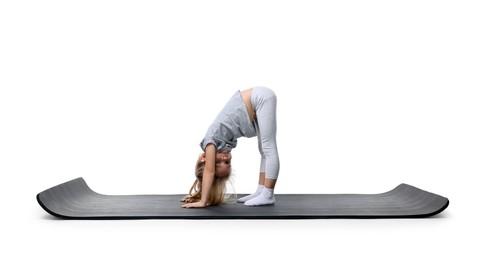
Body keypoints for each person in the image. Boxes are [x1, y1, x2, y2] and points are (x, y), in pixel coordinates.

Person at [181, 86, 280, 208]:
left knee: (268, 148)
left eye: (217, 161)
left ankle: (268, 194)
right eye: (227, 162)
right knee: (264, 151)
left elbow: (209, 171)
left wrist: (202, 201)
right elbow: (209, 173)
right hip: (258, 99)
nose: (224, 157)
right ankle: (261, 190)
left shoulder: (210, 142)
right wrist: (198, 194)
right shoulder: (220, 142)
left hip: (259, 98)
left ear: (204, 158)